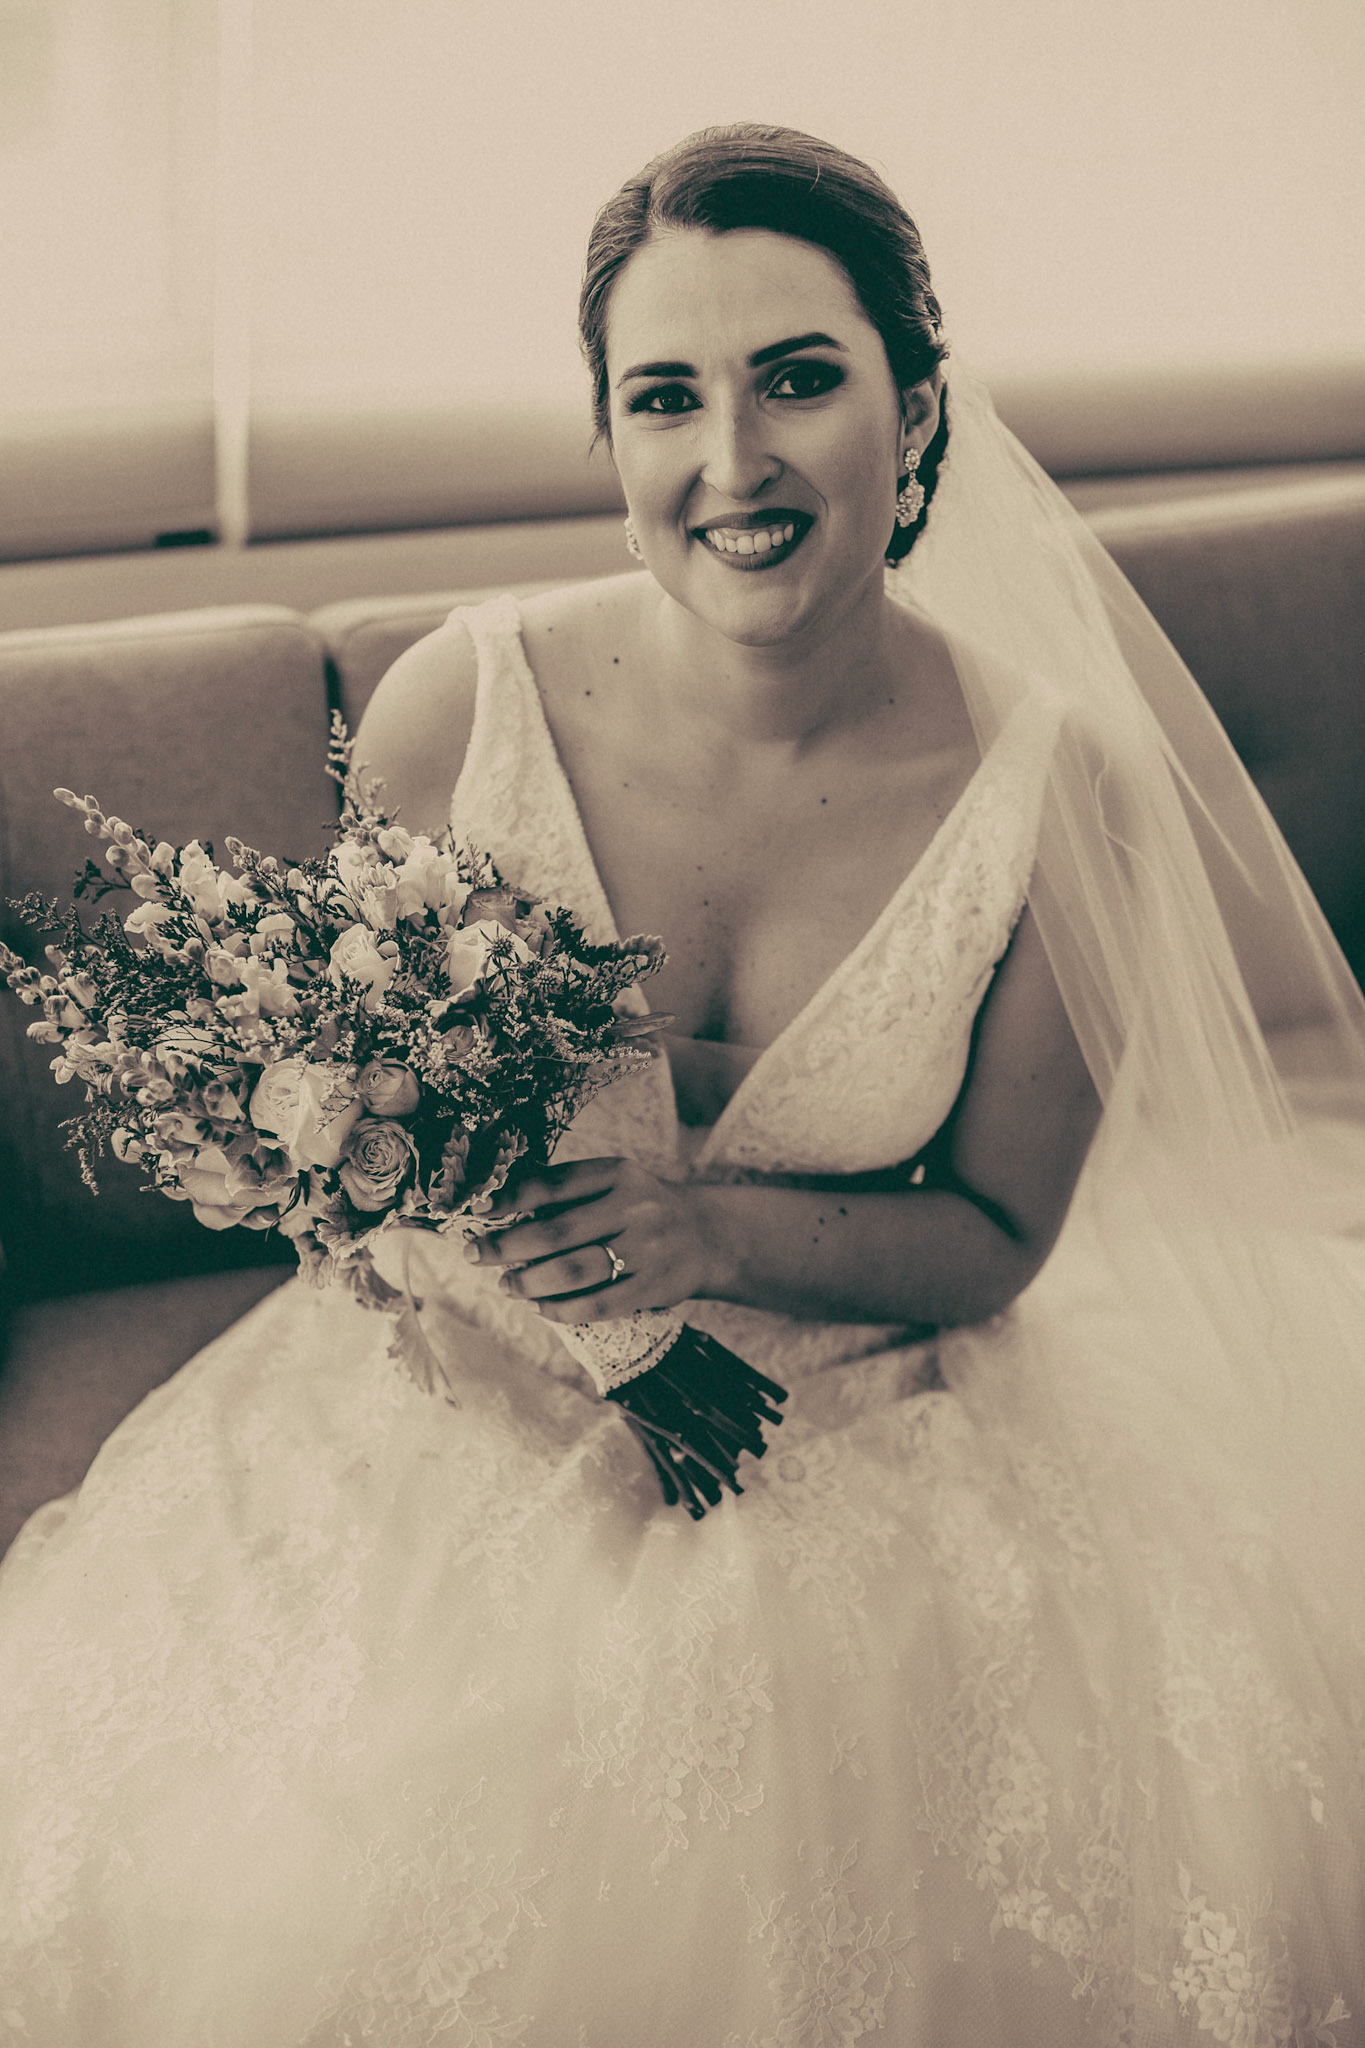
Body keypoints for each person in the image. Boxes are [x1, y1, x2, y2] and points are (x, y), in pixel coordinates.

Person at [0, 124, 1362, 2047]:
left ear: (916, 407)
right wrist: (412, 1202)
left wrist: (701, 1232)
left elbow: (993, 1237)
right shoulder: (456, 709)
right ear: (611, 438)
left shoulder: (1064, 798)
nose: (733, 460)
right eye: (664, 398)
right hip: (461, 1409)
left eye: (798, 377)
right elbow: (358, 1125)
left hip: (867, 1422)